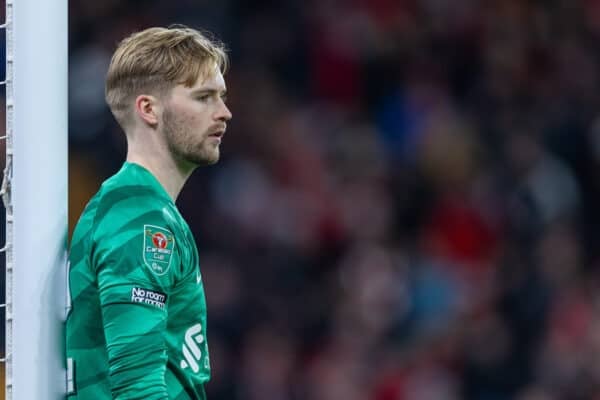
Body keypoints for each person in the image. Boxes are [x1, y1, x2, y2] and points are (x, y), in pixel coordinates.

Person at [66, 25, 232, 399]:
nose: (225, 113)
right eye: (204, 97)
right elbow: (138, 389)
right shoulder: (139, 221)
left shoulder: (143, 209)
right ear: (148, 109)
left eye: (221, 97)